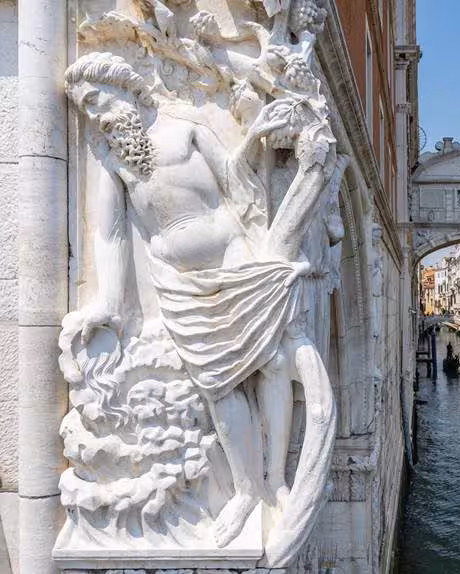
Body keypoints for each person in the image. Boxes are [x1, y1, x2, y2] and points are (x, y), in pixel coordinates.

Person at [64, 51, 336, 549]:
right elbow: (111, 234)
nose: (97, 114)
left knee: (270, 360)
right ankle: (245, 491)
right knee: (217, 384)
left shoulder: (184, 128)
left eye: (98, 100)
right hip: (175, 281)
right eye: (86, 109)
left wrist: (255, 138)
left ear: (125, 88)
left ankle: (276, 476)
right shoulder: (112, 159)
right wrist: (108, 300)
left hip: (232, 255)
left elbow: (236, 180)